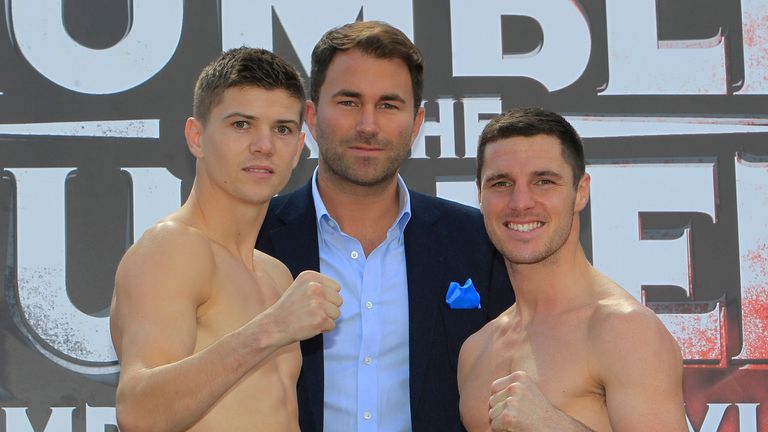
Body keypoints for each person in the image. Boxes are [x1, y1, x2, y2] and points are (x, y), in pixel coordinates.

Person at [256, 21, 514, 431]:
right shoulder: (253, 237)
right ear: (311, 116)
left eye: (389, 105)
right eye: (348, 102)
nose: (368, 125)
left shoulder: (478, 242)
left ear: (416, 124)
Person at [109, 47, 342, 432]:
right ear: (196, 137)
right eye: (241, 124)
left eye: (282, 129)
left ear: (299, 148)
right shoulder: (172, 248)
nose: (264, 145)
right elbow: (139, 412)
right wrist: (271, 328)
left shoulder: (275, 274)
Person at [458, 107, 687, 431]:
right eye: (501, 183)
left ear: (580, 191)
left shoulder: (624, 331)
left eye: (543, 181)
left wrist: (551, 425)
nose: (520, 202)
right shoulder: (475, 350)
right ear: (480, 194)